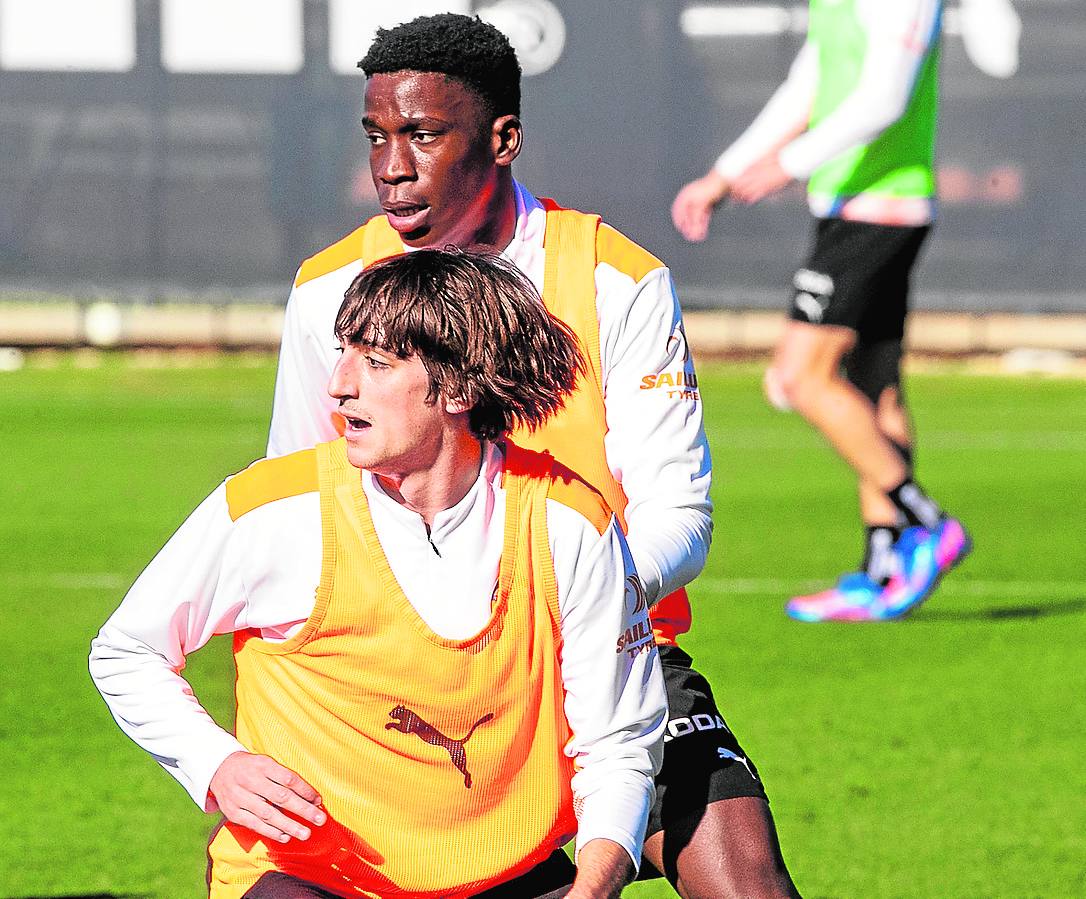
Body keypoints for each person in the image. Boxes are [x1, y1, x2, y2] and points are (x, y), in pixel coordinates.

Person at [267, 13, 799, 899]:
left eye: (424, 134)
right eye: (377, 136)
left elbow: (680, 517)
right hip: (408, 671)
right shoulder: (329, 292)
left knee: (748, 878)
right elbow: (299, 509)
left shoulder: (616, 281)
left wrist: (580, 605)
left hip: (607, 647)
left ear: (504, 138)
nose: (392, 165)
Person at [89, 248, 668, 899]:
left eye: (376, 361)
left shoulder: (572, 524)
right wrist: (214, 762)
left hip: (512, 876)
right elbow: (127, 648)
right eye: (343, 352)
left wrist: (589, 893)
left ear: (459, 387)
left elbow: (619, 746)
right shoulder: (272, 509)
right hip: (305, 878)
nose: (338, 383)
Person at [672, 0, 971, 622]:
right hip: (849, 205)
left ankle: (926, 522)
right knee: (874, 389)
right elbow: (806, 86)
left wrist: (787, 163)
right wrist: (723, 176)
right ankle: (883, 571)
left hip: (880, 210)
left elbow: (884, 100)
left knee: (799, 377)